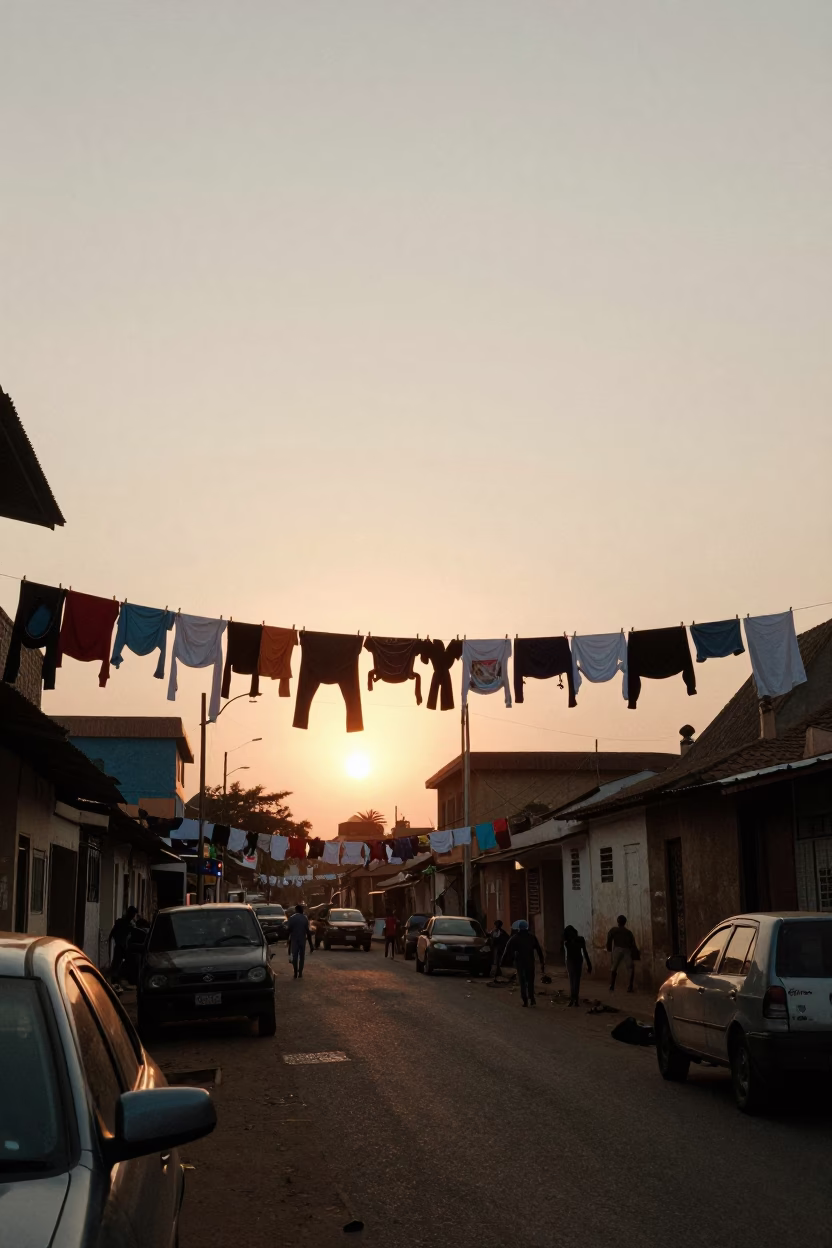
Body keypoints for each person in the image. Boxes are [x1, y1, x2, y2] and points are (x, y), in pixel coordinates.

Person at [501, 920, 545, 1006]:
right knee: (530, 981)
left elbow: (507, 951)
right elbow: (539, 950)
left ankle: (525, 1000)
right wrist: (542, 962)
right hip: (530, 962)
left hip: (520, 963)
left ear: (518, 929)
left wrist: (502, 962)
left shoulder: (514, 938)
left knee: (522, 981)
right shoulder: (532, 937)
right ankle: (532, 998)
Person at [606, 914, 638, 993]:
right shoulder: (628, 932)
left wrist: (609, 948)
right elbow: (632, 943)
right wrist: (634, 953)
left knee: (614, 967)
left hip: (617, 949)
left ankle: (612, 985)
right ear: (625, 922)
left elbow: (609, 938)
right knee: (630, 968)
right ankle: (630, 986)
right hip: (626, 950)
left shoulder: (614, 930)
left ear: (618, 922)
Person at [562, 924, 592, 1006]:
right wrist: (589, 964)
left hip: (570, 961)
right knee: (577, 980)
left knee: (572, 980)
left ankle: (573, 998)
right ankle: (575, 999)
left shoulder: (567, 942)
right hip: (579, 960)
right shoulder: (581, 939)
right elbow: (585, 952)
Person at [108, 905, 137, 987]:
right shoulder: (121, 922)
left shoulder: (132, 923)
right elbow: (113, 933)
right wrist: (114, 940)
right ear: (128, 913)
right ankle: (115, 981)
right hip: (120, 945)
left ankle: (120, 980)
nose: (133, 915)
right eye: (132, 913)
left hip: (127, 947)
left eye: (134, 914)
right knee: (116, 963)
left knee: (126, 964)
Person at [286, 904, 314, 979]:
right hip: (302, 940)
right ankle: (300, 973)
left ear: (296, 910)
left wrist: (288, 940)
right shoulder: (305, 918)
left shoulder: (292, 918)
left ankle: (295, 972)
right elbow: (308, 932)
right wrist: (311, 945)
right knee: (301, 956)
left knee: (294, 956)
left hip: (294, 939)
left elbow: (288, 930)